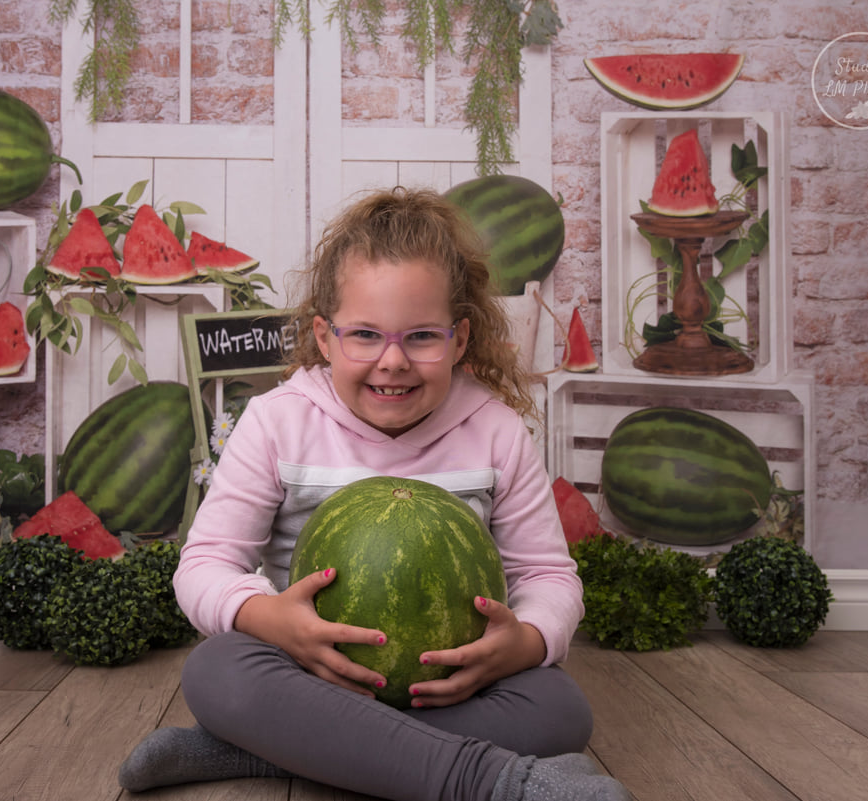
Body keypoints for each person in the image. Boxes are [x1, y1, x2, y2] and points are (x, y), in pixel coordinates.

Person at [119, 187, 631, 801]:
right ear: (324, 336)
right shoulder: (277, 421)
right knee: (215, 669)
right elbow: (205, 564)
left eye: (422, 337)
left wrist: (526, 639)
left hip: (451, 683)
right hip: (308, 674)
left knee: (559, 708)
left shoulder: (496, 432)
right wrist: (271, 619)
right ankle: (492, 781)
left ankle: (267, 751)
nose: (393, 361)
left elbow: (546, 575)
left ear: (460, 340)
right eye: (364, 334)